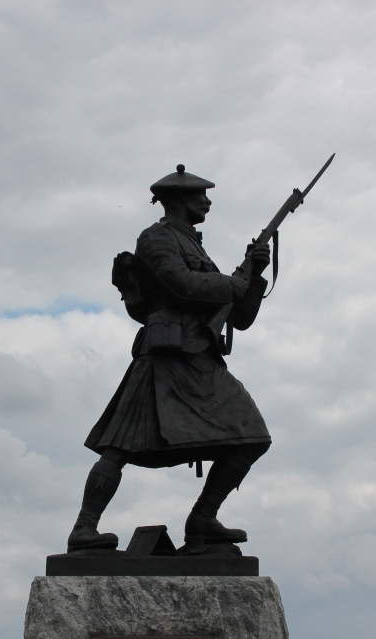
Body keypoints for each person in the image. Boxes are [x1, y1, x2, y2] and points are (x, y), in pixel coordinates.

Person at [68, 164, 274, 553]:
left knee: (252, 437)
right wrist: (233, 282)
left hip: (201, 358)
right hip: (165, 356)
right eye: (200, 196)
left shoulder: (195, 244)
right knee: (120, 445)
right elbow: (179, 284)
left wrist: (255, 274)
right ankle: (84, 528)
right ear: (178, 200)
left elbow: (240, 320)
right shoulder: (156, 239)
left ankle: (203, 519)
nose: (207, 202)